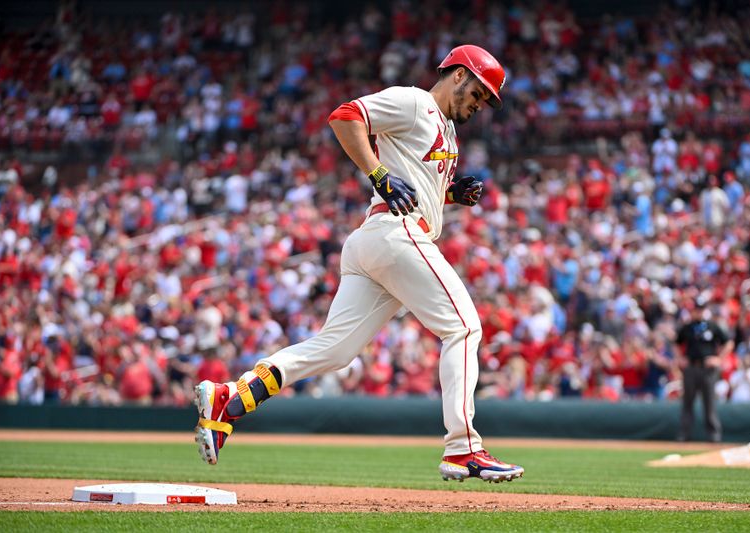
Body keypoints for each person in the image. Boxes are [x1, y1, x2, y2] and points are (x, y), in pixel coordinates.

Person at [192, 45, 524, 483]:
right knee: (463, 327)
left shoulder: (446, 130)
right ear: (459, 75)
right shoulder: (414, 102)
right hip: (396, 233)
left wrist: (450, 194)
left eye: (485, 102)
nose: (479, 106)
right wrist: (377, 174)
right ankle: (463, 448)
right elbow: (345, 115)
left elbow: (415, 184)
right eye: (479, 94)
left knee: (334, 350)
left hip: (381, 240)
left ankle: (231, 398)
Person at [673, 297, 734, 442]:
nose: (698, 312)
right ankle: (684, 434)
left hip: (708, 370)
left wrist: (718, 359)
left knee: (710, 403)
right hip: (691, 368)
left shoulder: (712, 326)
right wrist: (680, 358)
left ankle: (713, 435)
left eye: (701, 309)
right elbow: (676, 343)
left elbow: (728, 343)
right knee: (687, 402)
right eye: (696, 309)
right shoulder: (687, 327)